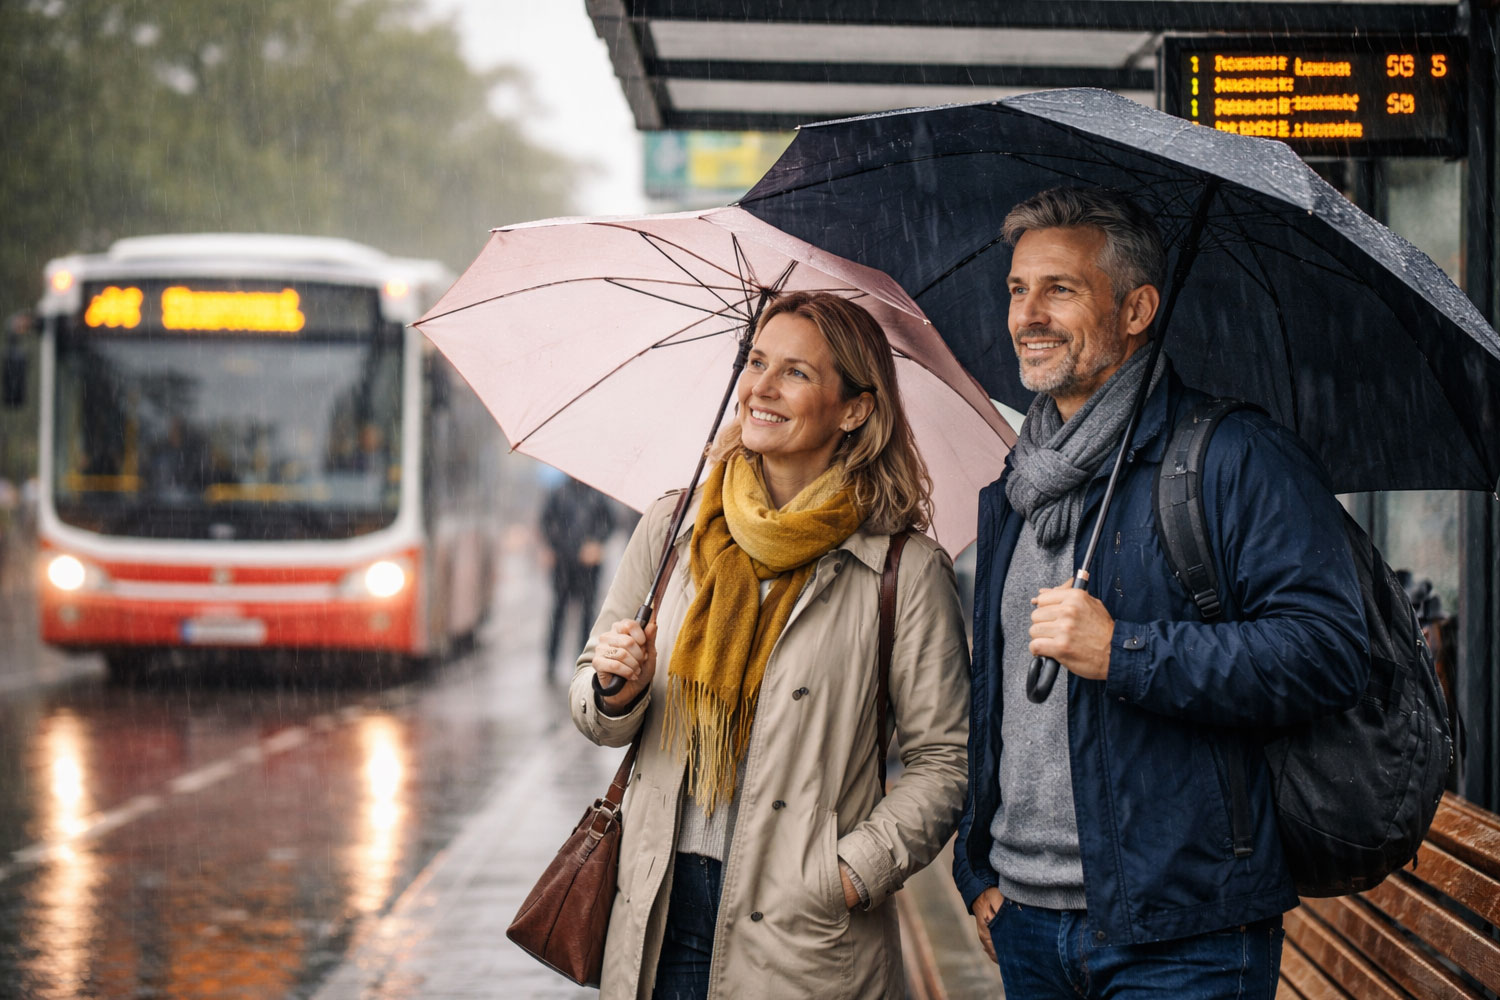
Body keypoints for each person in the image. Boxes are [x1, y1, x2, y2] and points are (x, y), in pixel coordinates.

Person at [951, 186, 1368, 998]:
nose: (1027, 314)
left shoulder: (1234, 456)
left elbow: (1327, 652)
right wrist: (978, 867)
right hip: (1026, 920)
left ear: (1138, 307)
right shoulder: (1014, 488)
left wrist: (1125, 652)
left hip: (1184, 930)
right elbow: (997, 695)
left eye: (1059, 289)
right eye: (1016, 289)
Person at [570, 291, 970, 999]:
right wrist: (613, 688)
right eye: (756, 362)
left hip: (803, 934)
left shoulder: (902, 570)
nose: (761, 387)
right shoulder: (675, 527)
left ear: (854, 409)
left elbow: (945, 760)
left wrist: (849, 875)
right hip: (654, 912)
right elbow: (593, 694)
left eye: (796, 372)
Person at [541, 475, 616, 678]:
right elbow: (546, 522)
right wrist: (552, 547)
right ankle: (550, 664)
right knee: (558, 613)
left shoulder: (598, 495)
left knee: (588, 616)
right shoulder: (558, 493)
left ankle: (583, 663)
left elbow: (611, 523)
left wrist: (596, 543)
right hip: (563, 566)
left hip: (589, 568)